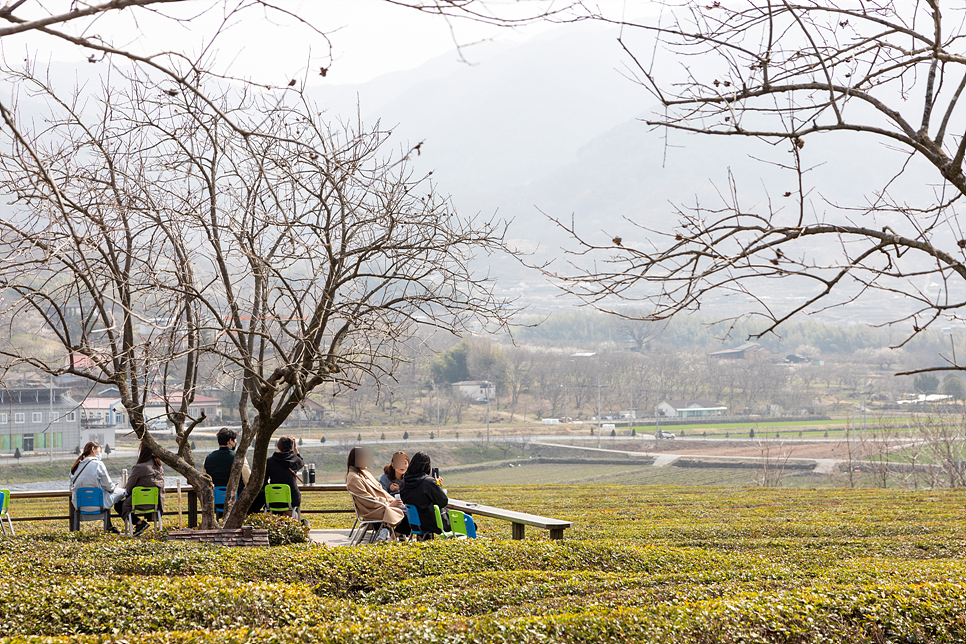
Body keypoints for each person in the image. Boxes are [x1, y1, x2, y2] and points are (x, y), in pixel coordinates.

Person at [345, 446, 411, 539]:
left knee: (409, 509)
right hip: (372, 509)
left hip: (380, 504)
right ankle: (395, 535)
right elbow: (367, 499)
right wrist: (389, 504)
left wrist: (392, 501)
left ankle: (390, 532)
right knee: (409, 512)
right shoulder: (354, 477)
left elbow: (381, 491)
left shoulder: (365, 473)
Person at [69, 441, 126, 534]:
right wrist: (114, 487)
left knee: (103, 494)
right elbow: (109, 486)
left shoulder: (75, 466)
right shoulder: (98, 464)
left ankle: (110, 526)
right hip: (98, 505)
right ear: (93, 450)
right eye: (99, 451)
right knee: (122, 492)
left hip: (79, 506)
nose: (100, 454)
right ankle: (131, 523)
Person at [400, 451, 449, 537]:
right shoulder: (428, 482)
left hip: (414, 523)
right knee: (469, 523)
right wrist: (436, 486)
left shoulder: (404, 481)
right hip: (432, 523)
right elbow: (443, 502)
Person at [121, 442, 165, 536]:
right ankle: (146, 525)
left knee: (119, 505)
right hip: (156, 503)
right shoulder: (159, 467)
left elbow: (128, 488)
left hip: (138, 503)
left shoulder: (139, 467)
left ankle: (139, 523)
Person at [262, 435, 303, 516]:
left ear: (278, 446)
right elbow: (301, 463)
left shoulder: (269, 462)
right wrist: (295, 449)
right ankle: (289, 515)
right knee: (291, 508)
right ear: (291, 446)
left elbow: (264, 481)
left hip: (273, 500)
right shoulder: (295, 460)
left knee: (273, 507)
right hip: (292, 499)